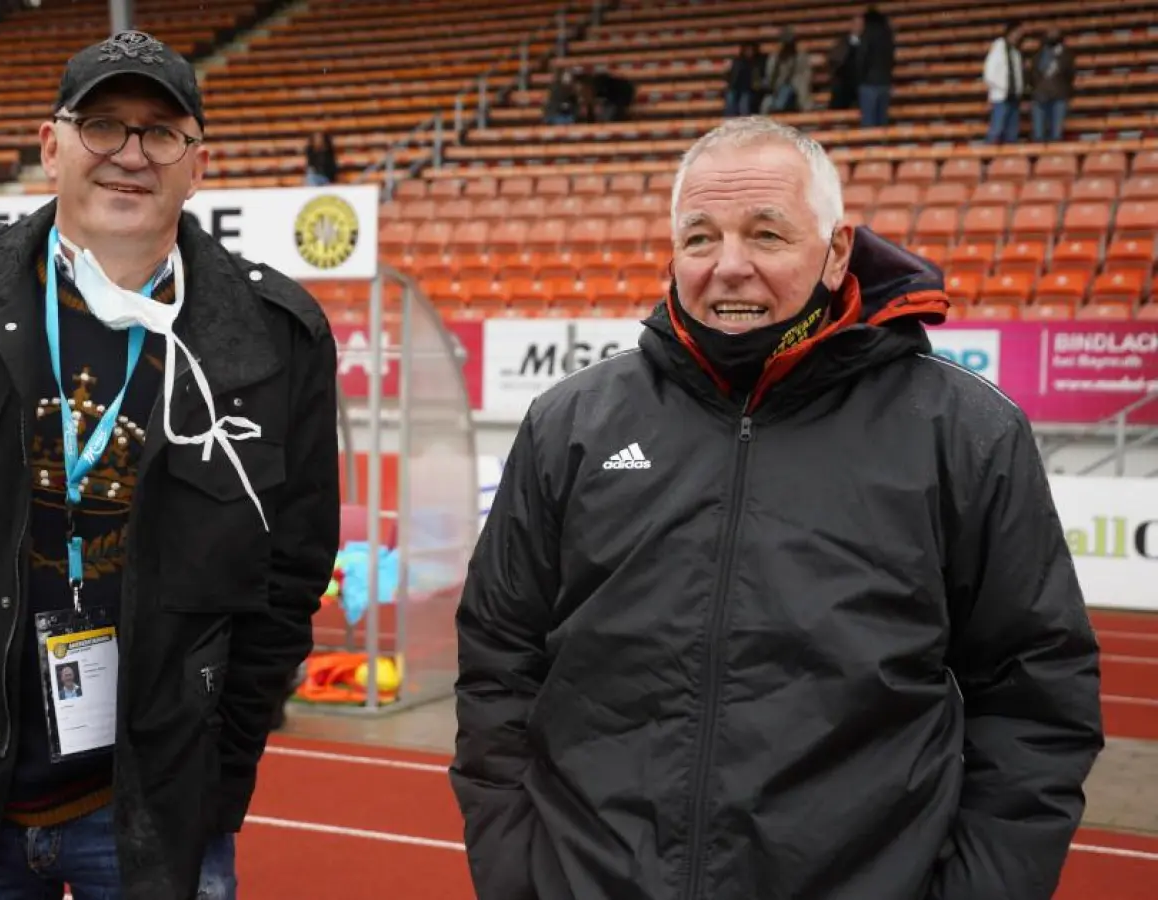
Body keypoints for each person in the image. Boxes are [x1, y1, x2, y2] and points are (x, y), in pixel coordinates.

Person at [451, 116, 1103, 900]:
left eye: (766, 234)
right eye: (700, 237)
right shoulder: (572, 423)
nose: (730, 266)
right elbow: (498, 655)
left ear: (836, 251)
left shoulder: (964, 433)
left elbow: (1036, 694)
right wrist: (519, 872)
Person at [0, 29, 341, 900]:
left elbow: (291, 572)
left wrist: (221, 764)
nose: (130, 154)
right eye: (102, 125)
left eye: (160, 132)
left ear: (198, 166)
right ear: (52, 147)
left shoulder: (273, 337)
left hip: (156, 807)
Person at [984, 21, 1027, 144]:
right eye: (1017, 32)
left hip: (1014, 97)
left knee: (1012, 134)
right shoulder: (998, 47)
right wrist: (1004, 87)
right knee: (996, 130)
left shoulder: (1016, 52)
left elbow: (1018, 76)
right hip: (1001, 96)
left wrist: (1018, 91)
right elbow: (989, 74)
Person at [1031, 27, 1075, 142]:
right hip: (1040, 96)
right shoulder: (1039, 54)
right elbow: (1033, 73)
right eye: (1050, 33)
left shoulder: (1066, 55)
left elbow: (1070, 75)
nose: (1052, 35)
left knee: (1056, 135)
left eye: (1054, 33)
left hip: (1059, 97)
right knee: (1038, 135)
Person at [856, 6, 895, 126]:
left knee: (869, 122)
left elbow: (861, 58)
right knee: (882, 121)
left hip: (869, 82)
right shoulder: (888, 35)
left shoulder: (867, 35)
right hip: (885, 82)